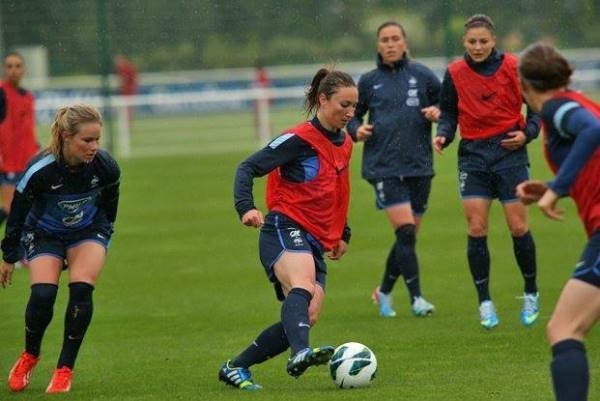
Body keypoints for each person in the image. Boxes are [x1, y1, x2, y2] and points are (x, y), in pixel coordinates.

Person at [218, 68, 358, 390]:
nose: (350, 113)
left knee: (304, 318)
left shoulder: (346, 141)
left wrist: (342, 233)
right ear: (323, 100)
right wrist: (246, 207)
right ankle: (301, 353)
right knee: (303, 285)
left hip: (317, 237)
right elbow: (248, 167)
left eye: (354, 105)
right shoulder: (298, 139)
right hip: (284, 224)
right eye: (344, 105)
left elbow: (339, 190)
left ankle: (236, 366)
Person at [0, 104, 121, 393]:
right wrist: (9, 255)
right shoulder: (39, 169)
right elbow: (17, 212)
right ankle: (30, 354)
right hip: (44, 234)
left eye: (97, 140)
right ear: (66, 136)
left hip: (87, 231)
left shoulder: (105, 166)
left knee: (81, 289)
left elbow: (110, 203)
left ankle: (64, 369)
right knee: (43, 294)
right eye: (87, 140)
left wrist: (103, 236)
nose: (94, 147)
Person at [433, 14, 542, 329]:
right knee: (476, 227)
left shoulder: (514, 66)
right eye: (472, 42)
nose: (477, 47)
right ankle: (485, 301)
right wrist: (444, 134)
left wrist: (527, 134)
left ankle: (531, 292)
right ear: (464, 43)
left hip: (510, 154)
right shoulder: (454, 72)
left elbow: (535, 108)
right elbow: (449, 113)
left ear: (494, 41)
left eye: (483, 41)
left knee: (518, 227)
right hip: (474, 157)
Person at [516, 42, 600, 401]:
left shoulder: (555, 107)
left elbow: (592, 131)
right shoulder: (578, 101)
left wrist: (557, 188)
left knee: (564, 327)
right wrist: (553, 187)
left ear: (524, 85)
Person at [347, 21, 440, 318]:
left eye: (395, 38)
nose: (390, 44)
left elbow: (447, 106)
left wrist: (438, 112)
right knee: (406, 231)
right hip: (383, 167)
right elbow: (351, 115)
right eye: (384, 39)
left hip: (419, 165)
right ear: (378, 45)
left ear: (404, 42)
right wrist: (355, 130)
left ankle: (384, 291)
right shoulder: (369, 81)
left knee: (406, 238)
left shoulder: (423, 75)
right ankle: (417, 299)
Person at [0, 52, 39, 226]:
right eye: (9, 66)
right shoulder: (1, 93)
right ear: (4, 70)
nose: (13, 70)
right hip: (7, 162)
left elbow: (29, 130)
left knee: (28, 209)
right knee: (10, 209)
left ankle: (24, 250)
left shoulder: (28, 97)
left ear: (24, 70)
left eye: (17, 66)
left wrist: (37, 150)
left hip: (27, 162)